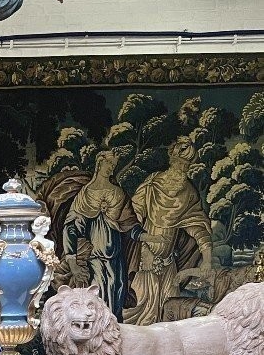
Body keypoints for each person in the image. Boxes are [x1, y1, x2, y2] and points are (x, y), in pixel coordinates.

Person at [126, 138, 214, 325]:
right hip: (145, 263)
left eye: (187, 165)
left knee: (168, 315)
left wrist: (207, 258)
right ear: (172, 160)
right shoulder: (152, 184)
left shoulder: (188, 192)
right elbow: (132, 219)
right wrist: (144, 251)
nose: (183, 169)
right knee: (139, 315)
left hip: (168, 267)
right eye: (180, 163)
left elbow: (198, 226)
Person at [62, 151, 141, 319]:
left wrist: (149, 237)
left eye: (114, 165)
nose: (111, 168)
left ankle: (115, 332)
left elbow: (130, 225)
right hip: (94, 259)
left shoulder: (118, 193)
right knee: (96, 301)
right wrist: (72, 261)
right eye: (108, 163)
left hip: (116, 259)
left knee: (116, 299)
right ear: (99, 164)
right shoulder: (85, 194)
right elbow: (71, 227)